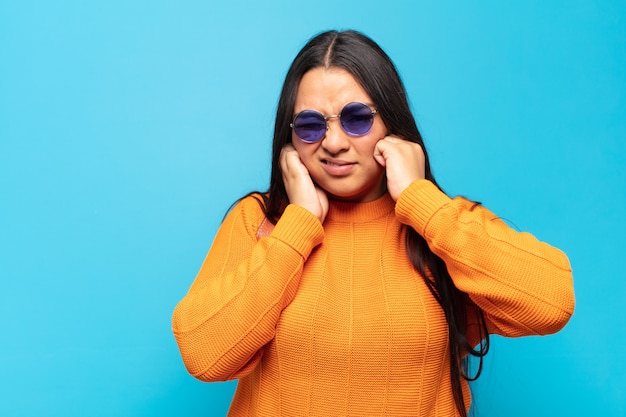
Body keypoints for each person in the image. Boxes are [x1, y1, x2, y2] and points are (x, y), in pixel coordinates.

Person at [172, 30, 575, 416]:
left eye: (356, 118)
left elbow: (551, 304)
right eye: (312, 125)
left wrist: (422, 203)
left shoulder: (443, 224)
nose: (333, 143)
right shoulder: (261, 221)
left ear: (391, 125)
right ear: (291, 138)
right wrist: (297, 226)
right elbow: (205, 357)